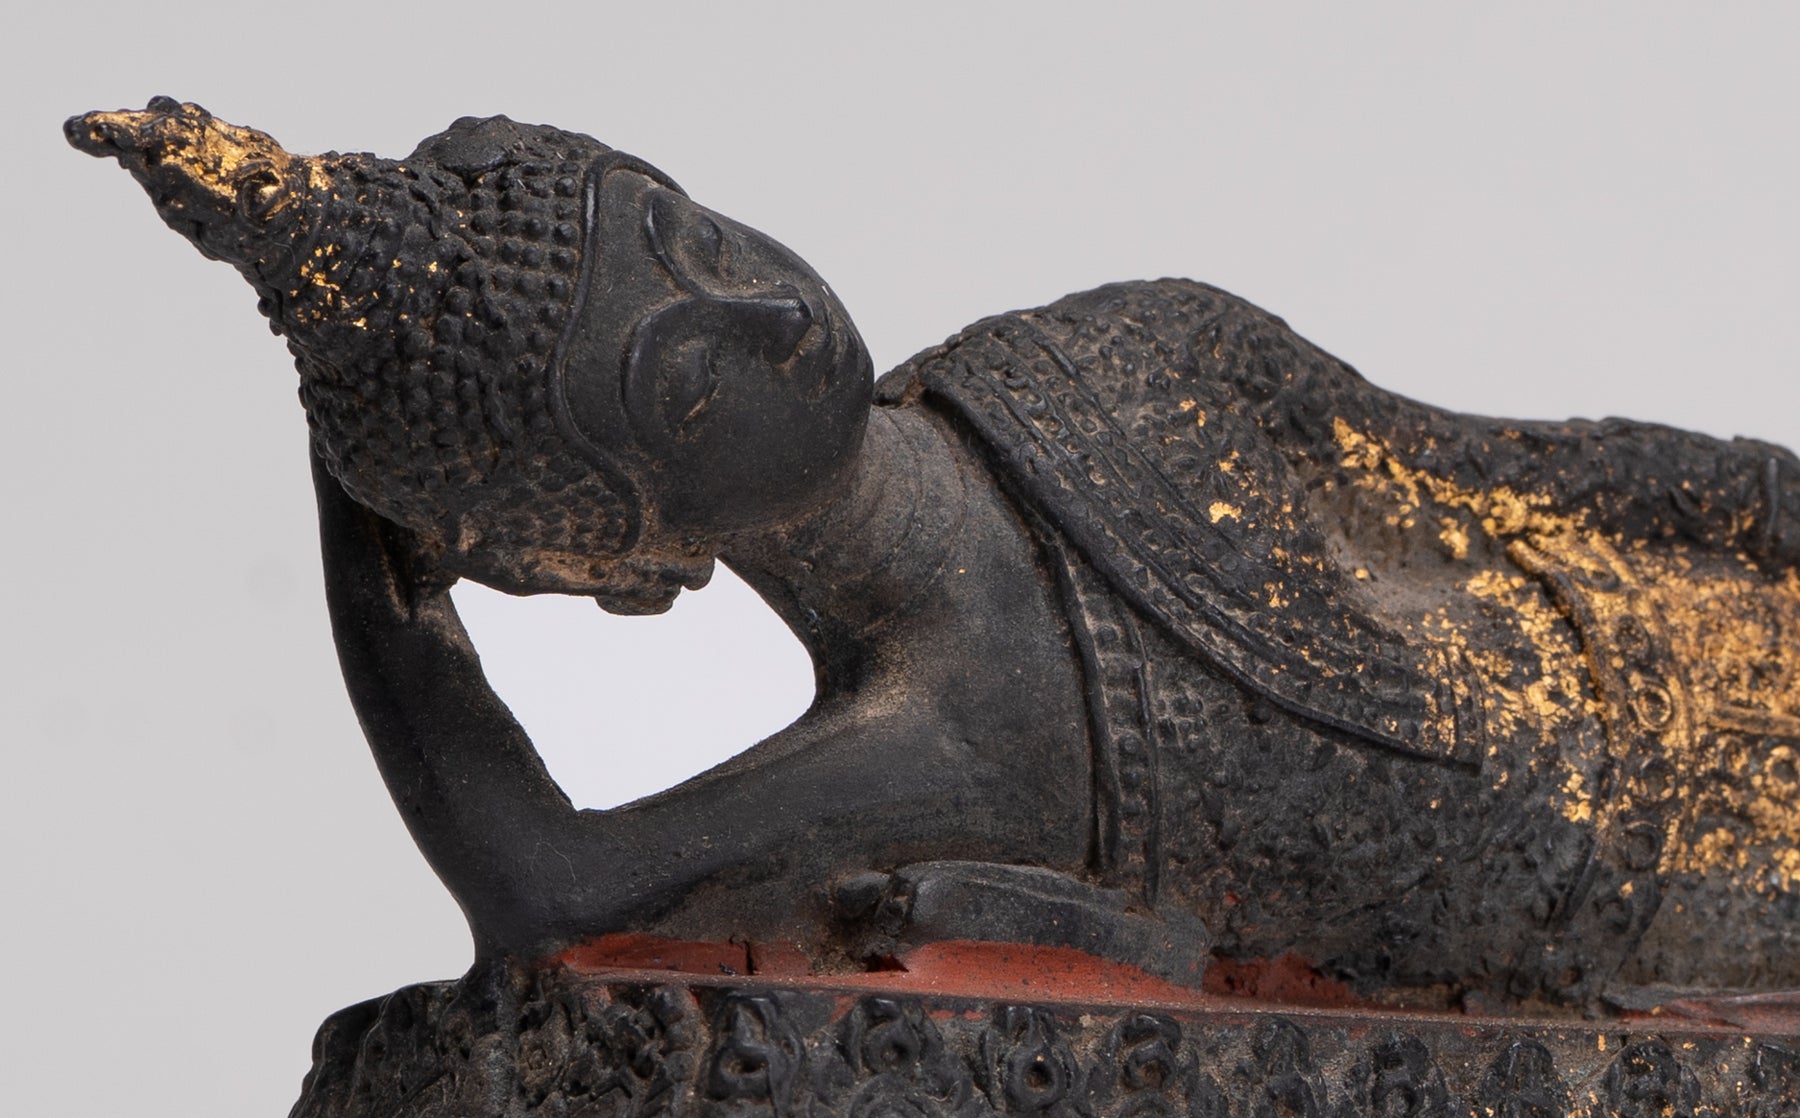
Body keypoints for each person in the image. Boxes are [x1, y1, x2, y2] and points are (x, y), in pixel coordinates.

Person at [70, 99, 1800, 1009]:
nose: (766, 313)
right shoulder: (951, 723)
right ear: (614, 563)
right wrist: (366, 507)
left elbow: (1496, 466)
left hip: (1670, 622)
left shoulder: (1120, 354)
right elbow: (549, 888)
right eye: (691, 393)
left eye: (692, 233)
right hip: (1670, 888)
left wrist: (1760, 502)